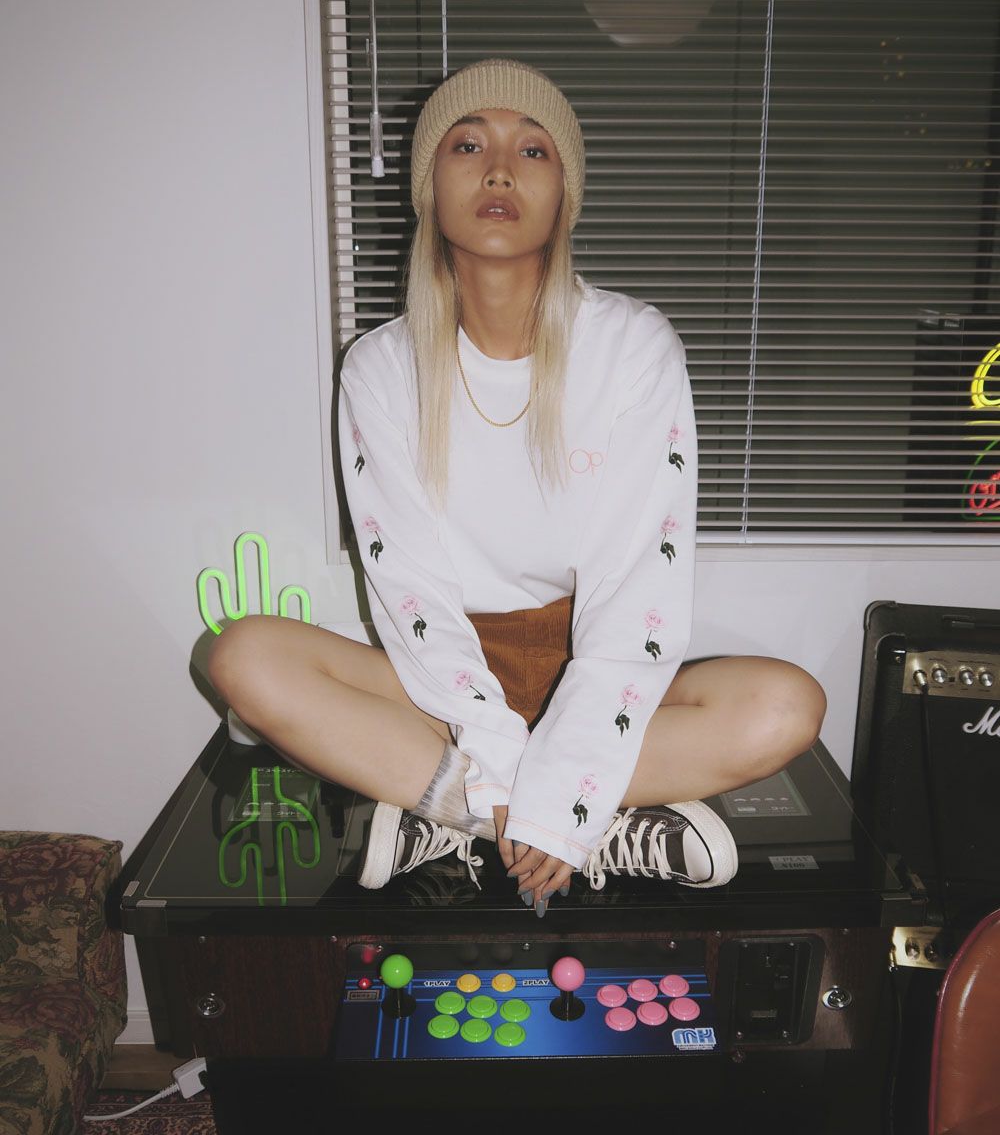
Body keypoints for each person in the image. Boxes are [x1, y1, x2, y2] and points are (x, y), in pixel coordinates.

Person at [207, 58, 826, 918]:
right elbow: (411, 594)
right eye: (468, 145)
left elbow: (635, 589)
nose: (499, 170)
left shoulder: (633, 346)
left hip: (583, 656)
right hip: (436, 671)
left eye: (532, 150)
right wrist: (511, 776)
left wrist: (567, 777)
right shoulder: (380, 368)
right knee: (243, 657)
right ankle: (543, 820)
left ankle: (457, 810)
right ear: (430, 186)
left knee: (785, 706)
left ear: (564, 192)